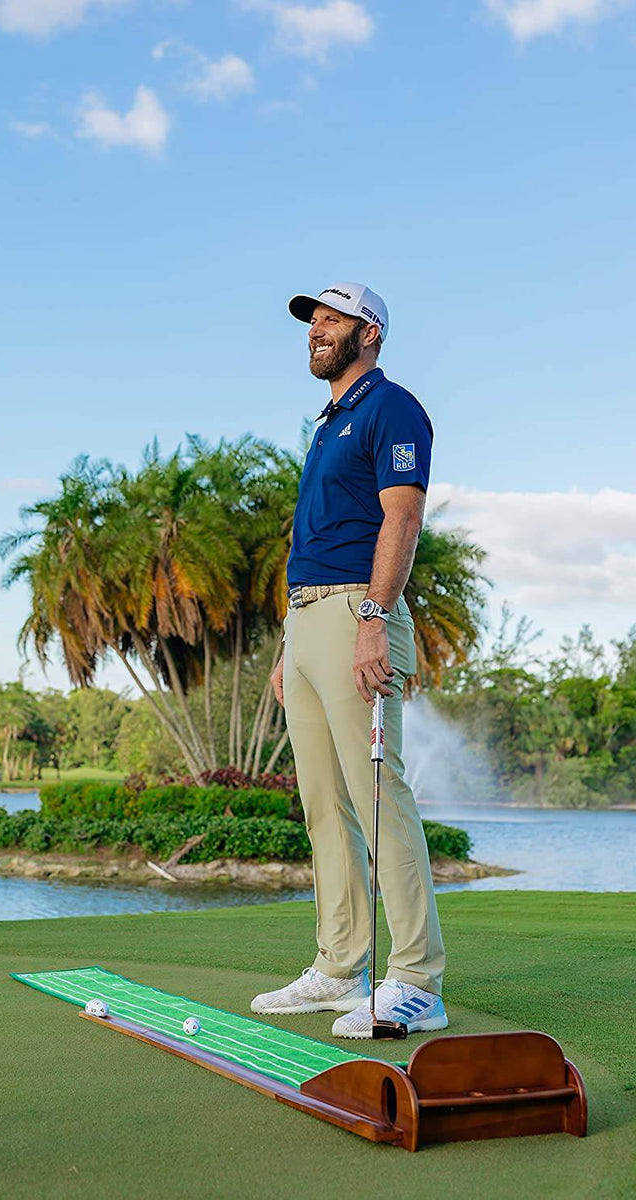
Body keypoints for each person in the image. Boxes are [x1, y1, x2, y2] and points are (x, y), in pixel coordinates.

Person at [250, 282, 447, 1036]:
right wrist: (288, 645)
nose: (315, 331)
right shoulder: (329, 422)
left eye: (331, 320)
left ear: (370, 332)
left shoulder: (391, 407)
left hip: (355, 612)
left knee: (376, 797)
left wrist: (371, 619)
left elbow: (402, 515)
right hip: (307, 621)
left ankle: (418, 981)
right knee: (323, 805)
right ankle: (340, 967)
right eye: (312, 322)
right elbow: (320, 537)